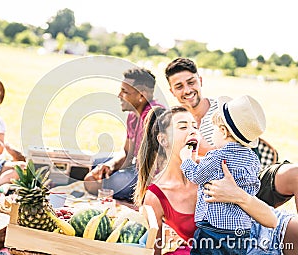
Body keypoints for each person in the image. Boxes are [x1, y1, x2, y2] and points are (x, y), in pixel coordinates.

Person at [134, 106, 297, 255]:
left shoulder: (213, 165)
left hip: (271, 232)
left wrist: (238, 195)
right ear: (163, 140)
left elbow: (271, 219)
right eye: (183, 127)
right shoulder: (155, 196)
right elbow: (153, 250)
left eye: (195, 126)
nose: (193, 132)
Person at [165, 57, 298, 212]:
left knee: (294, 174)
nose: (187, 90)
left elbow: (247, 157)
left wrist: (205, 152)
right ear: (172, 91)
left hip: (246, 186)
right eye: (179, 86)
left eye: (191, 82)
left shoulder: (225, 112)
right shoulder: (175, 121)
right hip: (205, 195)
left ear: (200, 80)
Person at [179, 95, 266, 254]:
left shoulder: (217, 156)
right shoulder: (252, 158)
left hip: (213, 231)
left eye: (213, 129)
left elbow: (196, 176)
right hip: (242, 231)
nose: (211, 134)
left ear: (223, 131)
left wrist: (185, 159)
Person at [83, 67, 165, 200]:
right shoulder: (133, 116)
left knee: (91, 182)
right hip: (136, 167)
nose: (119, 95)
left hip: (149, 178)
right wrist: (110, 166)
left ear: (141, 95)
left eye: (124, 91)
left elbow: (157, 168)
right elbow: (127, 153)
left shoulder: (155, 117)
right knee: (96, 163)